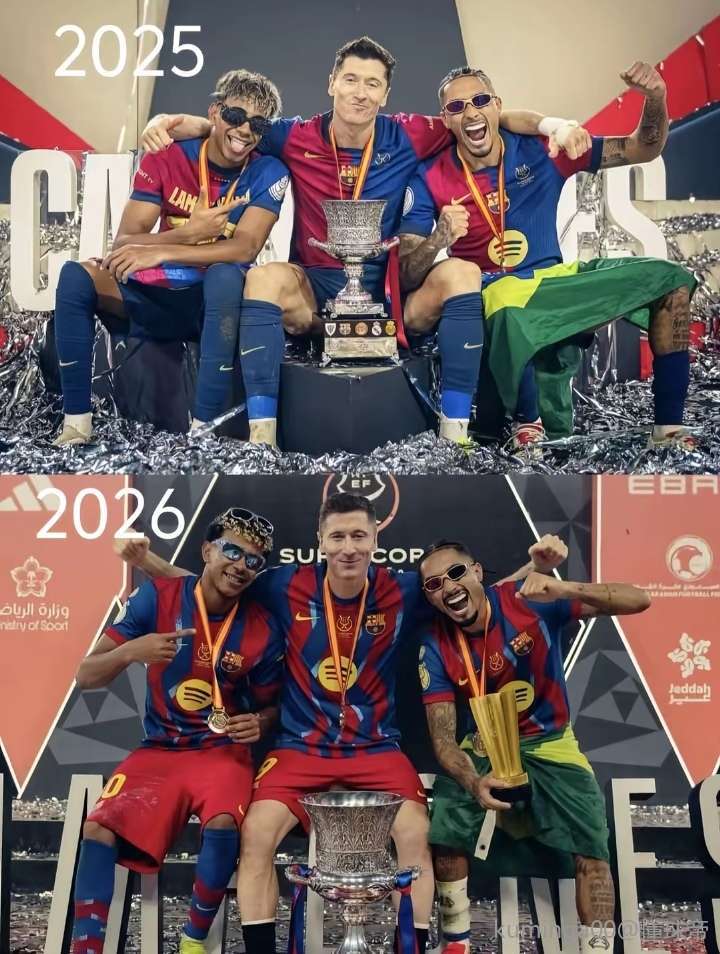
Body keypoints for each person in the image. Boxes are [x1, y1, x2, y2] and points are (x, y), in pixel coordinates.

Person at [118, 493, 568, 954]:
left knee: (416, 834)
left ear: (375, 539)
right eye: (337, 537)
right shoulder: (285, 585)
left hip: (376, 748)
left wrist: (534, 568)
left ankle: (409, 947)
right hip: (299, 749)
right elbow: (212, 586)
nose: (348, 547)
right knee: (255, 834)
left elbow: (474, 594)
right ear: (321, 541)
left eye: (358, 535)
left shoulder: (402, 589)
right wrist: (145, 561)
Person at [141, 37, 584, 446]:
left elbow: (488, 115)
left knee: (462, 273)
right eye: (351, 80)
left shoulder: (409, 133)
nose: (360, 93)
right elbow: (227, 126)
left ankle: (454, 437)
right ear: (331, 83)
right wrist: (167, 123)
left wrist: (555, 126)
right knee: (262, 279)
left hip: (386, 293)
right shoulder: (295, 135)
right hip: (314, 288)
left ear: (385, 94)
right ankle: (263, 440)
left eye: (373, 84)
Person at [398, 63, 697, 450]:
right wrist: (439, 237)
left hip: (555, 283)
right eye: (457, 107)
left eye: (480, 101)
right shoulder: (429, 176)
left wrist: (656, 98)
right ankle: (529, 422)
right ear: (446, 119)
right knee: (507, 303)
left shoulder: (542, 149)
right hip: (494, 293)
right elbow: (407, 273)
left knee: (671, 281)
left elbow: (644, 147)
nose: (471, 113)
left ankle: (669, 428)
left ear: (497, 106)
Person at [416, 538, 651, 953]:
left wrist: (563, 588)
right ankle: (456, 943)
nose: (448, 587)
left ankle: (596, 949)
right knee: (447, 822)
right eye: (434, 584)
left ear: (477, 572)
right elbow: (443, 739)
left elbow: (639, 600)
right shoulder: (434, 644)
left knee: (592, 847)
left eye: (455, 573)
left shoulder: (530, 602)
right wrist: (473, 782)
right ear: (430, 597)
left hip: (550, 741)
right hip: (485, 745)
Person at [69, 509, 284, 954]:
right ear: (206, 550)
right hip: (159, 749)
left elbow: (273, 706)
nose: (241, 566)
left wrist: (260, 721)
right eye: (232, 551)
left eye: (253, 560)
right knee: (97, 830)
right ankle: (85, 948)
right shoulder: (157, 597)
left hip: (221, 750)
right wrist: (132, 650)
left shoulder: (262, 627)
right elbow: (86, 675)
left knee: (223, 823)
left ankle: (192, 940)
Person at [53, 69, 290, 447]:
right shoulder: (168, 156)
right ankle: (76, 426)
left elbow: (246, 248)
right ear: (215, 112)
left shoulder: (268, 170)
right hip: (153, 295)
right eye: (235, 116)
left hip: (212, 306)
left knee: (226, 275)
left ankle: (203, 430)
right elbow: (125, 242)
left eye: (257, 124)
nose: (245, 130)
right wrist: (185, 234)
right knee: (75, 276)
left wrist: (166, 248)